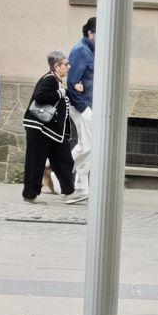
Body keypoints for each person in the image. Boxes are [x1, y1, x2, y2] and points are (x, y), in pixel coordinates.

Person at [20, 51, 77, 204]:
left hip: (53, 131)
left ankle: (69, 192)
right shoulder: (49, 80)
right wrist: (59, 93)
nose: (69, 67)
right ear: (56, 66)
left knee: (64, 160)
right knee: (36, 162)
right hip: (39, 128)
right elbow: (40, 97)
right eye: (66, 64)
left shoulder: (58, 81)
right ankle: (30, 195)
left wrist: (75, 90)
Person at [65, 13, 98, 197]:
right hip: (82, 106)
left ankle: (81, 185)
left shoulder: (93, 50)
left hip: (88, 105)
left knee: (89, 146)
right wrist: (84, 108)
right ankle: (58, 172)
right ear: (90, 33)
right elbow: (72, 82)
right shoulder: (81, 51)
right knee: (87, 146)